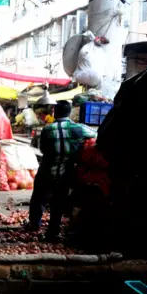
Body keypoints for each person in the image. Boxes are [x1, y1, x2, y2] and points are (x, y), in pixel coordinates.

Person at [28, 101, 97, 240]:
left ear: (55, 112)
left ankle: (35, 224)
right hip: (65, 173)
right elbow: (94, 134)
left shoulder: (47, 129)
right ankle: (53, 231)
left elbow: (42, 150)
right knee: (58, 202)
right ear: (69, 112)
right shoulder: (77, 128)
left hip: (47, 171)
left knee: (39, 199)